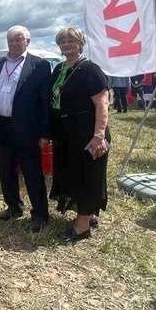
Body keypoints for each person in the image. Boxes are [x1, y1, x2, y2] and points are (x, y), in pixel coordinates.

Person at [49, 26, 110, 243]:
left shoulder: (90, 69)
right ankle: (87, 214)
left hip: (88, 134)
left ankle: (82, 227)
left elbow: (102, 104)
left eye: (71, 41)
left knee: (89, 177)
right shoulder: (59, 68)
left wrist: (99, 136)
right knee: (73, 175)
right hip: (66, 134)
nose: (66, 44)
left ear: (80, 43)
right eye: (62, 41)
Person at [0, 25, 52, 231]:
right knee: (6, 170)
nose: (15, 43)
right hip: (3, 126)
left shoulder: (40, 65)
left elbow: (44, 102)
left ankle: (40, 214)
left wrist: (44, 132)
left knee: (32, 173)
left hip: (28, 129)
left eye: (19, 39)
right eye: (11, 40)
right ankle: (13, 207)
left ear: (28, 42)